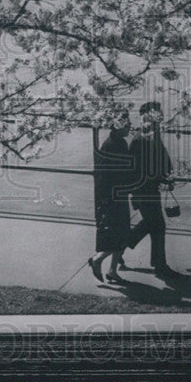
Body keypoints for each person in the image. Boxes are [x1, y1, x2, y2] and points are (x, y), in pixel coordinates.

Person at [126, 101, 179, 279]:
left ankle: (117, 246)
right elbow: (133, 170)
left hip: (150, 190)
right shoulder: (140, 139)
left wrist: (168, 177)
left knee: (151, 225)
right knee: (157, 226)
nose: (162, 117)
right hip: (144, 191)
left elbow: (162, 158)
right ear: (149, 117)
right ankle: (159, 265)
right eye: (158, 114)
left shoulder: (152, 135)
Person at [88, 112, 134, 284]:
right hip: (114, 196)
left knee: (121, 232)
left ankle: (112, 269)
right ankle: (98, 260)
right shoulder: (115, 145)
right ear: (118, 126)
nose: (129, 127)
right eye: (127, 125)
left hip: (115, 194)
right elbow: (114, 173)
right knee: (120, 233)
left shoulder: (115, 142)